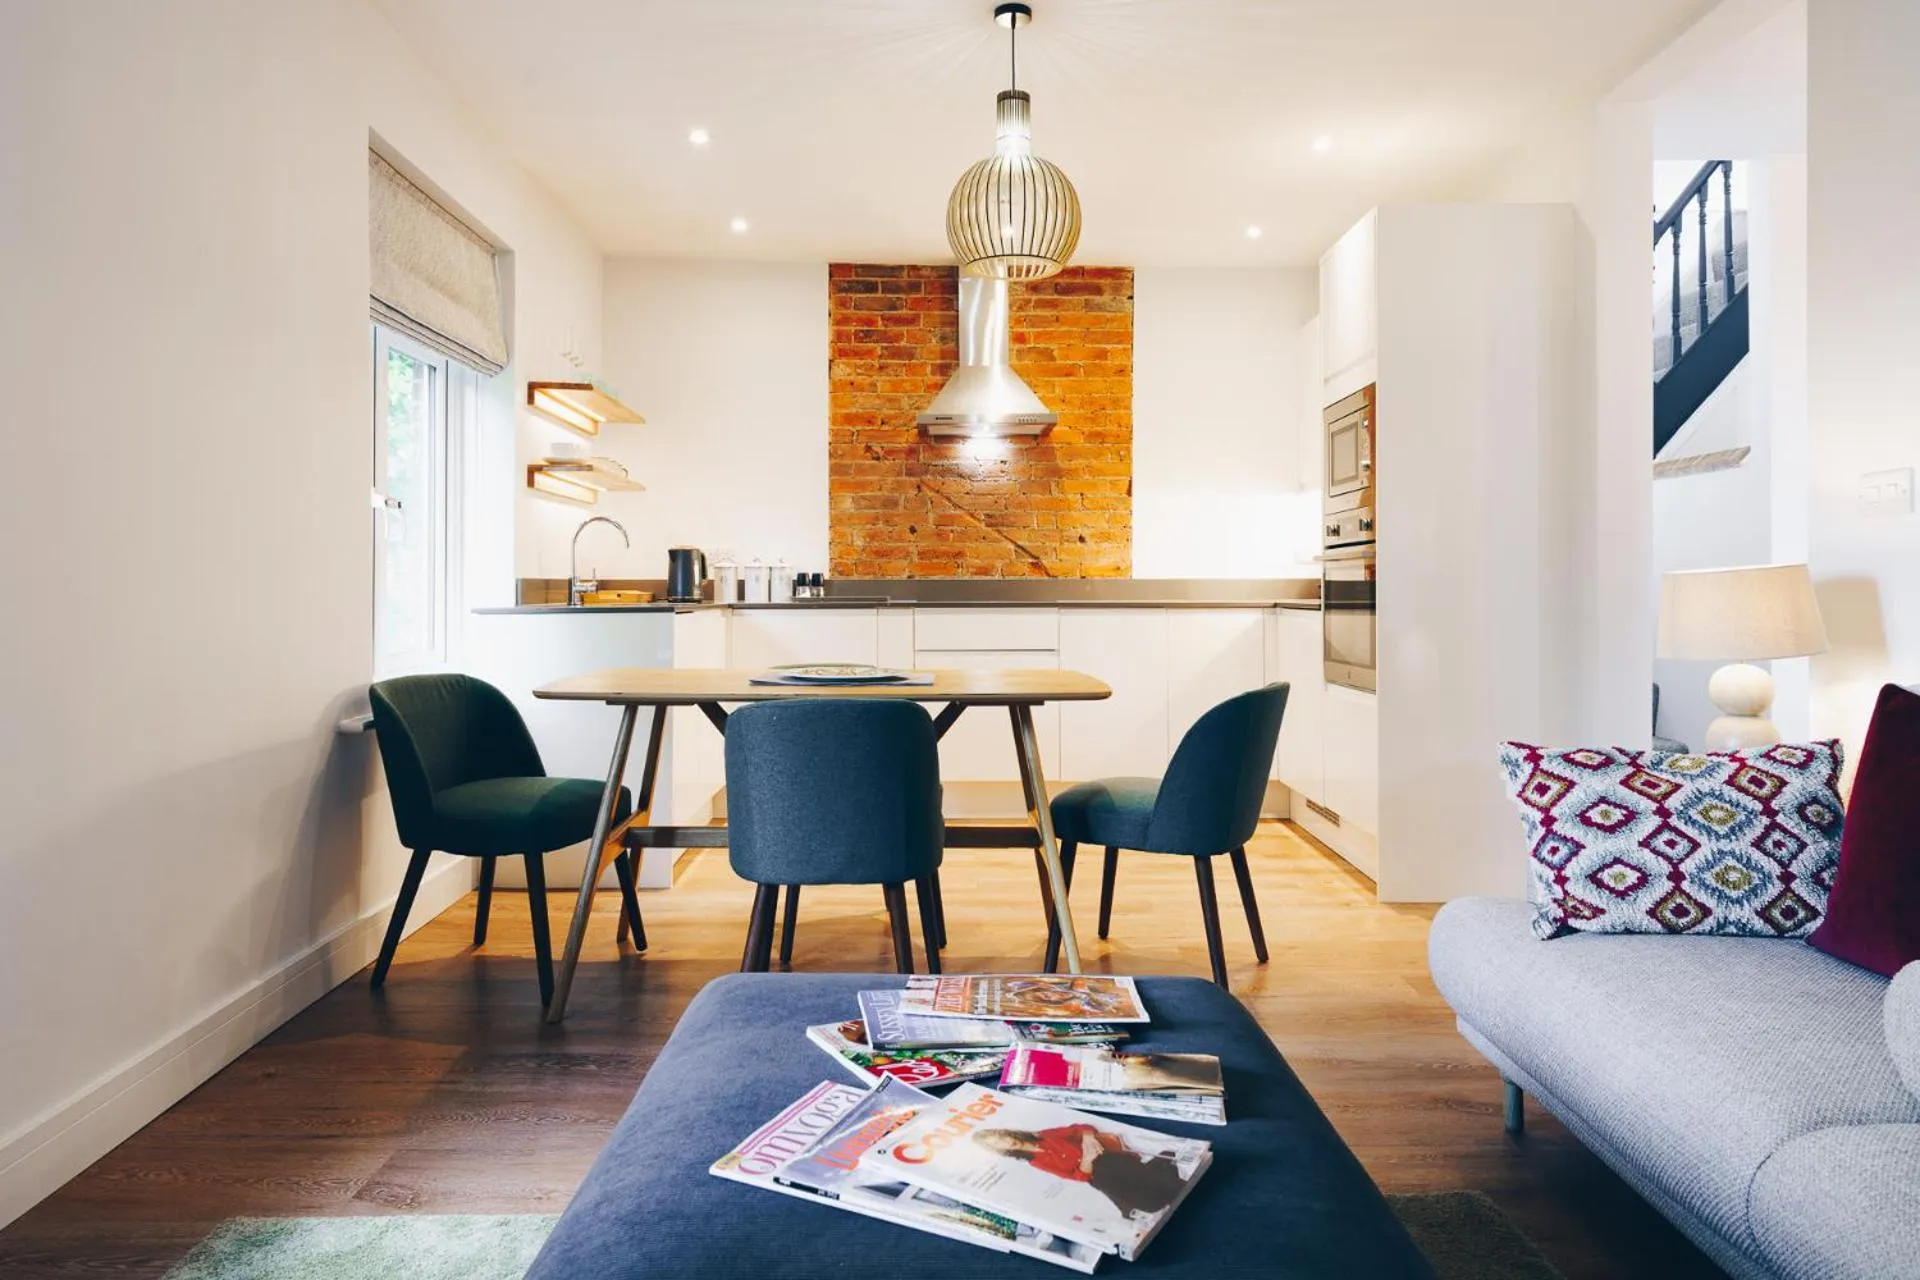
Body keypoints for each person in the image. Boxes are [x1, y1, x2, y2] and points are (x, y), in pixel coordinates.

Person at [974, 1124, 1183, 1219]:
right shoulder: (1036, 1162)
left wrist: (1088, 1138)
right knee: (1149, 1204)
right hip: (1097, 1175)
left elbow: (1080, 1128)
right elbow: (1079, 1177)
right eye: (999, 1144)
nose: (1005, 1141)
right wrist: (1087, 1159)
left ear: (1004, 1133)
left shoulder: (1044, 1135)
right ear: (1000, 1150)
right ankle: (1162, 1167)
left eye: (1001, 1136)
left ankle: (1163, 1168)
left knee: (1156, 1190)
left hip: (1109, 1160)